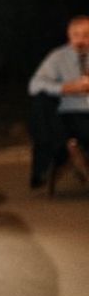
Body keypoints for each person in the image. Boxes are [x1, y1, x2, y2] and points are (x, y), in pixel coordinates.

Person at [29, 15, 89, 186]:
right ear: (69, 36)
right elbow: (35, 85)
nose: (81, 40)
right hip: (70, 113)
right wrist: (66, 88)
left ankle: (67, 155)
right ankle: (59, 154)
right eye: (76, 35)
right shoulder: (58, 57)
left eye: (86, 35)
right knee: (41, 103)